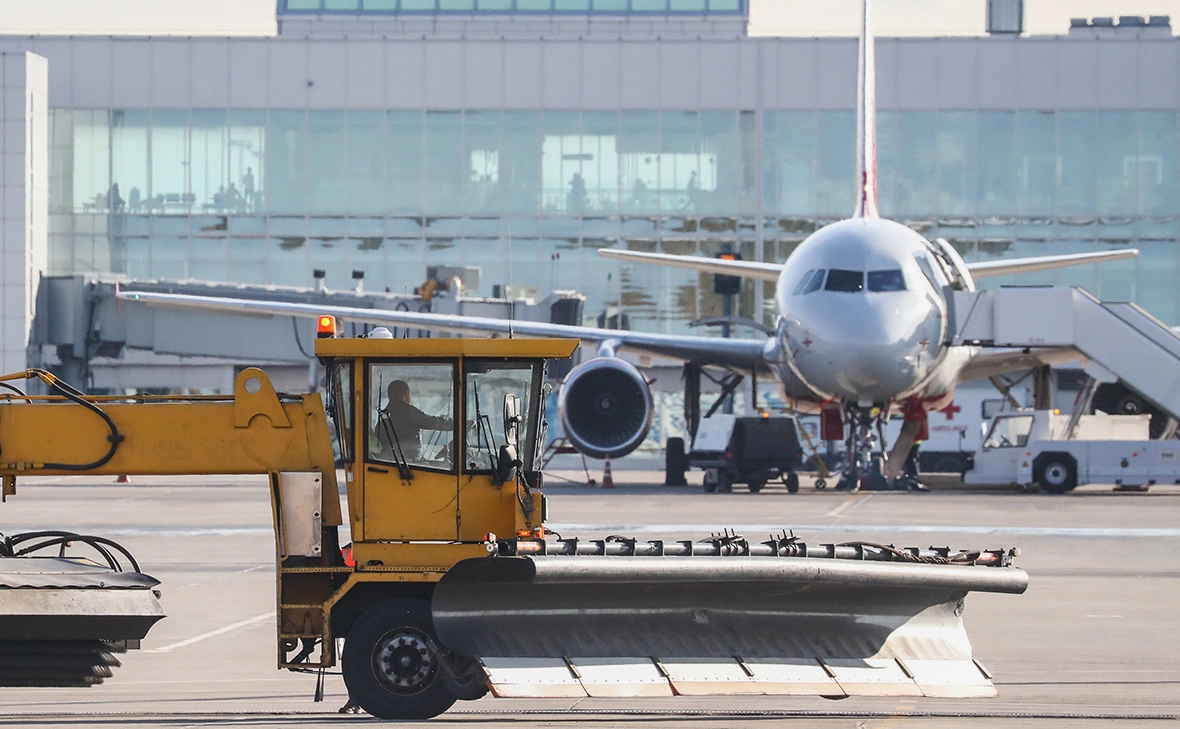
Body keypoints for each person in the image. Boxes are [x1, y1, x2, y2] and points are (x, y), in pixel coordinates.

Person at [376, 380, 452, 462]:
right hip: (408, 463)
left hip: (388, 461)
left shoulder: (383, 414)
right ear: (407, 394)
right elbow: (431, 422)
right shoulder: (406, 412)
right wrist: (456, 423)